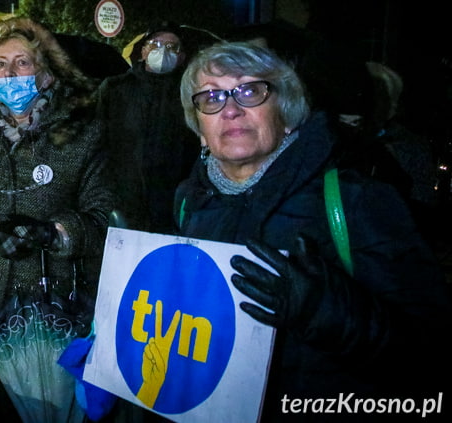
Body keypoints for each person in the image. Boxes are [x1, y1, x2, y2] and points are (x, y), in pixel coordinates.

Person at [173, 40, 451, 421]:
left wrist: (326, 310)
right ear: (200, 130)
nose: (231, 110)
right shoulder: (190, 203)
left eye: (250, 91)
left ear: (286, 113)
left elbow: (428, 353)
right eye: (212, 97)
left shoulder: (355, 199)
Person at [0, 17, 113, 419]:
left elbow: (103, 216)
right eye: (0, 64)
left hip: (56, 319)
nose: (9, 73)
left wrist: (55, 232)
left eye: (23, 63)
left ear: (48, 74)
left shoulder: (82, 132)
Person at [95, 21, 198, 233]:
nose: (163, 51)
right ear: (143, 51)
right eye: (156, 44)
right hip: (124, 203)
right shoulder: (115, 89)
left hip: (174, 207)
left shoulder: (192, 95)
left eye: (172, 47)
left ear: (182, 57)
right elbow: (96, 141)